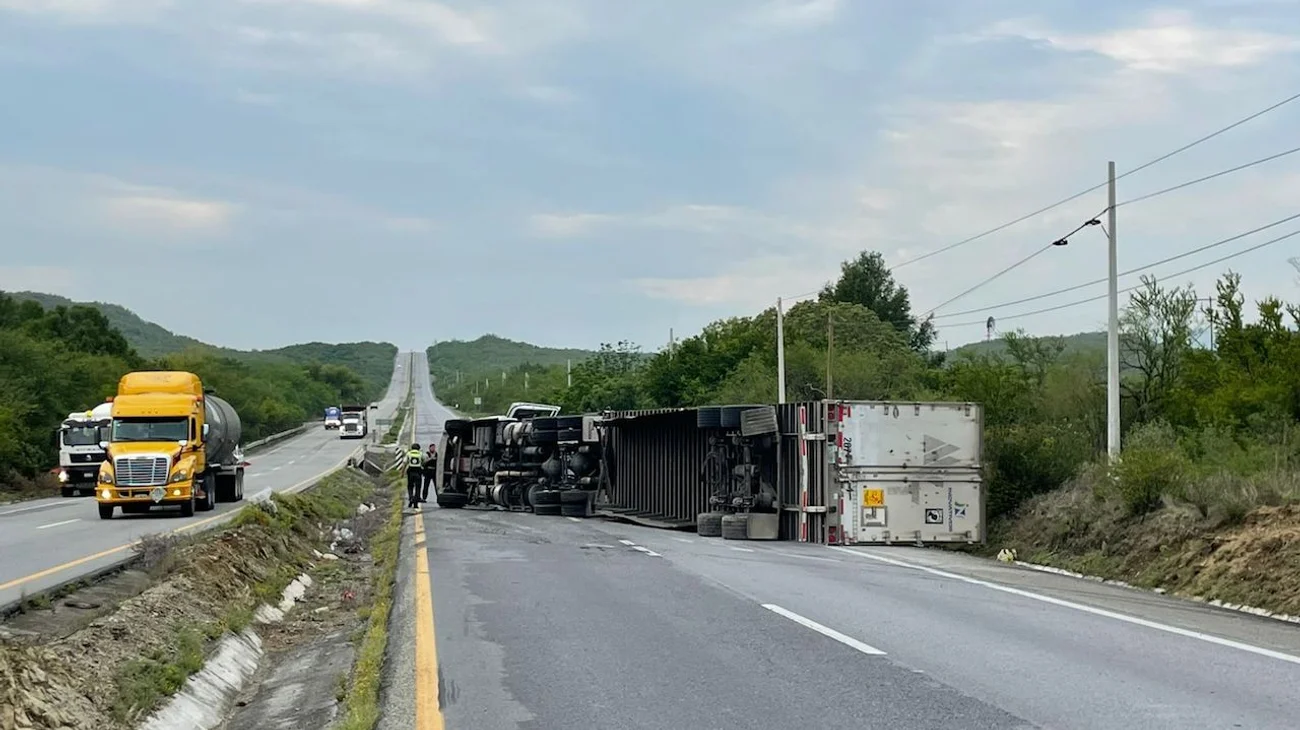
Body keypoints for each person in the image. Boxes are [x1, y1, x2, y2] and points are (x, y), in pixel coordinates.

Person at [405, 443, 423, 509]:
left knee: (410, 486)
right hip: (418, 471)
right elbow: (423, 462)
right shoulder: (420, 454)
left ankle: (411, 497)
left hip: (410, 471)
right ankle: (416, 503)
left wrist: (402, 472)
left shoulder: (409, 453)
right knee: (418, 487)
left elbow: (405, 462)